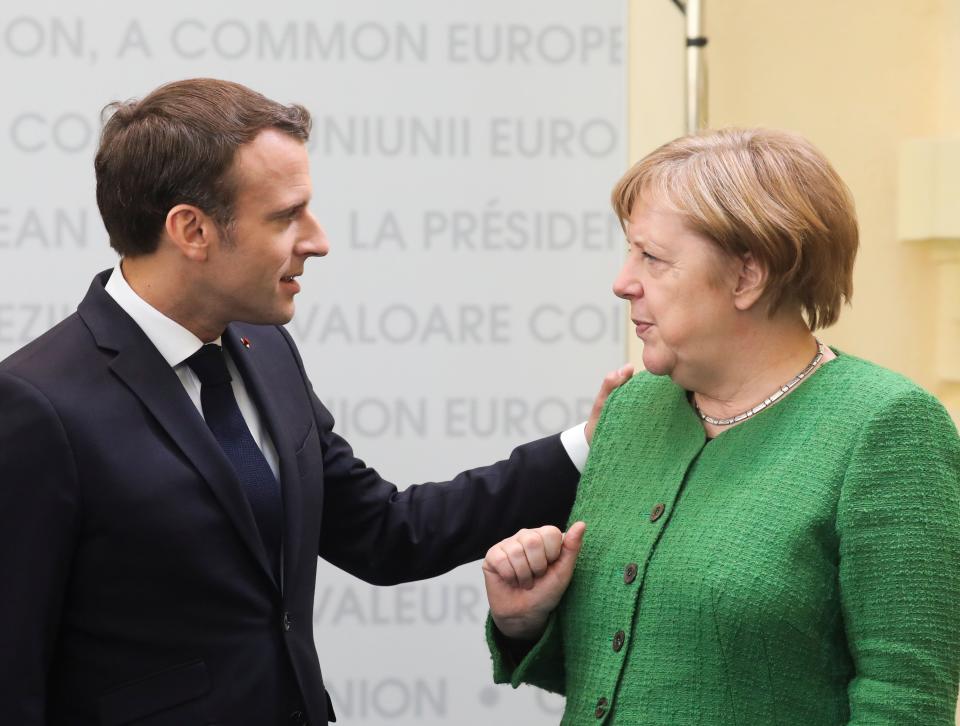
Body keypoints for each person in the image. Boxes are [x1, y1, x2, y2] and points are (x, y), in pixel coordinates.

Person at [0, 78, 631, 726]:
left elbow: (388, 534)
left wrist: (587, 444)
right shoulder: (37, 405)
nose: (318, 239)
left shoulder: (264, 347)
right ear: (191, 229)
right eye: (285, 216)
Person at [481, 128, 960, 725]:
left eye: (651, 257)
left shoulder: (885, 427)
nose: (622, 281)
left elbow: (906, 702)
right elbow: (627, 669)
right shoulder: (635, 406)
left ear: (746, 278)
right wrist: (525, 622)